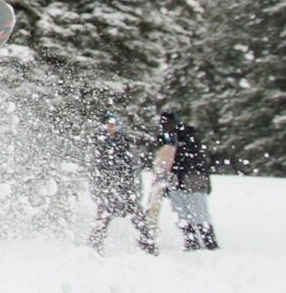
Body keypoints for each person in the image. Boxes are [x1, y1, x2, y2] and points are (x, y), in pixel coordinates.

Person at [87, 113, 157, 255]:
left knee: (138, 218)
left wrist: (135, 189)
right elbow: (94, 169)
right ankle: (94, 245)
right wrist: (98, 189)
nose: (110, 128)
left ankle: (148, 244)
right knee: (103, 218)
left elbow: (135, 167)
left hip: (126, 187)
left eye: (113, 125)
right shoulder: (98, 144)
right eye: (108, 125)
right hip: (107, 188)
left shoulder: (126, 143)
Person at [154, 109, 219, 250]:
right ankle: (191, 240)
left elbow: (195, 159)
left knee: (199, 212)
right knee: (182, 212)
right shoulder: (165, 138)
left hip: (193, 178)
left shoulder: (188, 136)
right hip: (175, 180)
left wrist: (176, 163)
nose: (167, 125)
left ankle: (209, 241)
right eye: (164, 123)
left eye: (169, 122)